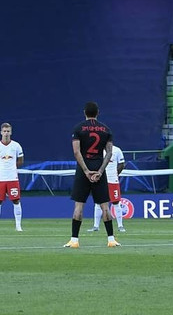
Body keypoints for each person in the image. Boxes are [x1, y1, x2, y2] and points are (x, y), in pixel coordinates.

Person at [64, 102, 120, 249]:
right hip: (99, 168)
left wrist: (86, 170)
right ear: (98, 112)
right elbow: (109, 153)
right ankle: (111, 239)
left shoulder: (78, 128)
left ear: (84, 112)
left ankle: (74, 240)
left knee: (79, 206)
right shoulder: (106, 129)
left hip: (84, 169)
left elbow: (76, 152)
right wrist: (100, 171)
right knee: (105, 207)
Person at [0, 122, 24, 232]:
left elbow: (20, 160)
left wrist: (11, 168)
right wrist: (2, 169)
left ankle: (18, 226)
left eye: (8, 131)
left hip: (13, 178)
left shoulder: (16, 146)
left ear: (11, 132)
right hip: (1, 179)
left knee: (16, 200)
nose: (6, 133)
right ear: (1, 132)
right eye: (4, 131)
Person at [91, 144, 125, 233]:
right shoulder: (99, 150)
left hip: (113, 179)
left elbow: (121, 164)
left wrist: (116, 173)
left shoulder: (117, 150)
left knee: (116, 202)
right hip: (101, 179)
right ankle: (96, 226)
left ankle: (120, 226)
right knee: (98, 202)